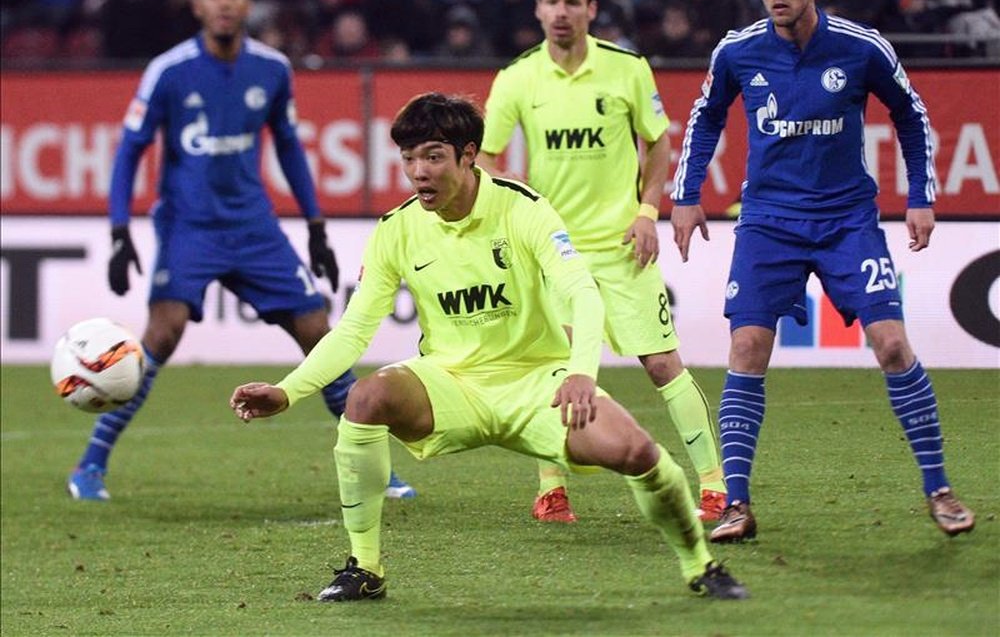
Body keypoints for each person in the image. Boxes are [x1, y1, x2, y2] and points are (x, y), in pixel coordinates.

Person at [229, 92, 748, 602]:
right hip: (451, 384)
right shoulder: (396, 230)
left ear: (468, 155)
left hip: (537, 385)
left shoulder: (522, 208)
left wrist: (581, 372)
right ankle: (366, 567)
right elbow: (353, 330)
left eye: (433, 156)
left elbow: (582, 294)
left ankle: (700, 565)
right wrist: (288, 391)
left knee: (636, 452)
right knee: (366, 400)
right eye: (409, 159)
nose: (418, 172)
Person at [66, 0, 414, 502]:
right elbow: (130, 151)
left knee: (318, 333)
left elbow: (291, 149)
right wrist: (118, 231)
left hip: (255, 228)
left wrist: (317, 226)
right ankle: (90, 466)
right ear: (197, 2)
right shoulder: (169, 71)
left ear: (246, 3)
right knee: (162, 333)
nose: (225, 3)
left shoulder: (272, 69)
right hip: (190, 227)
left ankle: (377, 469)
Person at [670, 0, 975, 543]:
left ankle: (939, 489)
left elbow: (911, 118)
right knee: (747, 349)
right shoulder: (737, 52)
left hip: (846, 222)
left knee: (891, 345)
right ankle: (737, 503)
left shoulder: (861, 48)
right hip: (768, 223)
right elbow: (705, 118)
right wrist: (685, 196)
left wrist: (920, 197)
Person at [477, 0, 726, 524]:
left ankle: (714, 484)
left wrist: (646, 211)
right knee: (557, 369)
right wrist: (519, 207)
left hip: (622, 247)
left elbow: (658, 143)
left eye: (572, 3)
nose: (561, 13)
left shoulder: (626, 69)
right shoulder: (517, 78)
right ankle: (550, 489)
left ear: (591, 9)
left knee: (663, 365)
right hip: (555, 252)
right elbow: (487, 156)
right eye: (552, 3)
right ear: (538, 9)